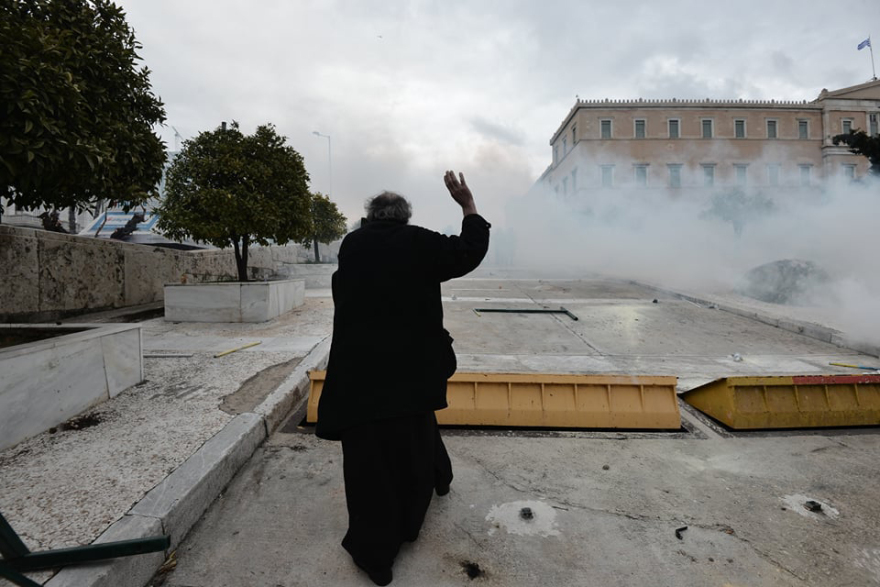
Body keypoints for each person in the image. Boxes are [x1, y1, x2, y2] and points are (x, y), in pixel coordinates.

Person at [316, 170, 490, 585]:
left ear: (371, 217)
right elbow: (468, 251)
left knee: (369, 463)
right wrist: (468, 206)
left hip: (360, 375)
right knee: (412, 440)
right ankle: (413, 517)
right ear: (404, 217)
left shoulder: (353, 245)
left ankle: (376, 555)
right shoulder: (420, 242)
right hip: (413, 372)